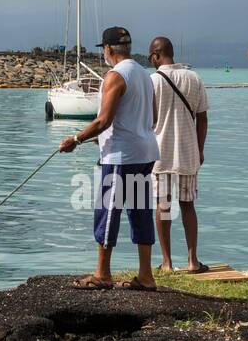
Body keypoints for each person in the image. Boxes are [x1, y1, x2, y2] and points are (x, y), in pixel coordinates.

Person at [59, 26, 160, 290]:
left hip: (120, 157)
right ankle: (146, 276)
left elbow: (103, 120)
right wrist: (101, 137)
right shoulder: (144, 74)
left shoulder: (115, 76)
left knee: (108, 210)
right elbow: (152, 118)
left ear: (108, 49)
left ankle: (103, 274)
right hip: (145, 152)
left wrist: (76, 139)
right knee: (140, 211)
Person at [148, 36, 209, 273]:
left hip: (159, 154)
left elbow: (147, 120)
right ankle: (193, 261)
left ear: (155, 54)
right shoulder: (194, 78)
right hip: (188, 152)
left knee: (163, 207)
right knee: (188, 205)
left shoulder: (152, 81)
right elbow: (203, 117)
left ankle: (167, 262)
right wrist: (200, 148)